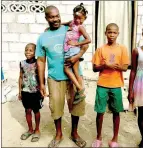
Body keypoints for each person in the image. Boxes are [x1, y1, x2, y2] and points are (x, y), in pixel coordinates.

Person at [36, 5, 88, 148]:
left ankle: (75, 133)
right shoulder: (42, 37)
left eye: (57, 16)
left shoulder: (70, 28)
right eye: (52, 17)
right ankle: (58, 134)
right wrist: (41, 83)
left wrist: (77, 56)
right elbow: (40, 61)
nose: (55, 19)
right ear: (46, 18)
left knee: (76, 105)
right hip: (54, 77)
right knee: (56, 108)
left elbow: (85, 45)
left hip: (74, 75)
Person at [91, 23, 130, 148]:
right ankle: (98, 138)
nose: (112, 35)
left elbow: (125, 67)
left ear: (118, 33)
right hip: (102, 84)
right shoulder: (100, 49)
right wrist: (105, 66)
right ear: (105, 33)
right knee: (100, 112)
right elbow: (95, 68)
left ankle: (114, 139)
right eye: (109, 32)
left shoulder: (122, 49)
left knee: (116, 112)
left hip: (116, 85)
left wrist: (118, 67)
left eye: (114, 32)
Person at [63, 3, 91, 104]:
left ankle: (80, 90)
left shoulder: (81, 27)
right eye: (75, 17)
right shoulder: (72, 23)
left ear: (84, 18)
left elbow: (88, 40)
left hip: (73, 50)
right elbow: (64, 23)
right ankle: (80, 91)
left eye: (80, 18)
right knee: (73, 70)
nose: (77, 20)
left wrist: (76, 43)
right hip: (69, 50)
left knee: (69, 69)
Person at [18, 43, 43, 142]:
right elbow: (20, 77)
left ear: (35, 52)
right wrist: (20, 91)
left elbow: (42, 78)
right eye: (26, 50)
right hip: (25, 91)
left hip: (35, 92)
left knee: (36, 110)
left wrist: (42, 90)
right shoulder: (22, 63)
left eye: (30, 50)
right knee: (27, 110)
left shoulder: (38, 63)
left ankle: (37, 130)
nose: (28, 52)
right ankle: (30, 129)